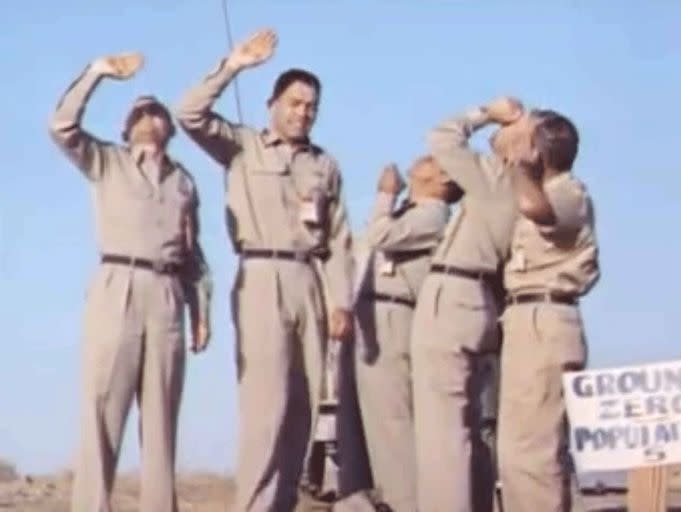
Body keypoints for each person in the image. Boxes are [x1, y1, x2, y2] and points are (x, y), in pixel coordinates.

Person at [175, 29, 355, 511]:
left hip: (309, 280)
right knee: (265, 405)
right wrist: (233, 64)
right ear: (273, 103)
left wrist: (341, 300)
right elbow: (189, 114)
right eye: (295, 103)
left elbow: (338, 238)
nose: (303, 112)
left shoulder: (325, 165)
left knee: (303, 407)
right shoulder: (242, 146)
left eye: (311, 106)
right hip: (261, 276)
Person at [48, 52, 212, 512]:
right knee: (102, 410)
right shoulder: (107, 162)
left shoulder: (184, 182)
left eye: (154, 111)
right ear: (125, 127)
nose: (148, 117)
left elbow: (193, 252)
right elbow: (61, 126)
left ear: (168, 126)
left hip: (167, 294)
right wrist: (98, 73)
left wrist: (201, 311)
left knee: (161, 419)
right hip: (115, 285)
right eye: (138, 113)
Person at [410, 97, 524, 512]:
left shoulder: (496, 178)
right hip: (476, 301)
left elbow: (441, 137)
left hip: (453, 296)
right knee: (469, 430)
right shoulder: (515, 187)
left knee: (442, 436)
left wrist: (487, 113)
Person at [341, 157, 460, 511]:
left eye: (433, 161)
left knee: (392, 423)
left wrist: (384, 196)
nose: (421, 159)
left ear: (442, 178)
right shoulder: (412, 211)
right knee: (363, 425)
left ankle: (405, 501)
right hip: (369, 311)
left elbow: (380, 235)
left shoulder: (431, 215)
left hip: (392, 314)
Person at [497, 109, 600, 512]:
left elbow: (535, 208)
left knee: (531, 451)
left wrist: (520, 165)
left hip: (546, 317)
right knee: (523, 448)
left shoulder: (568, 193)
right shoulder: (548, 187)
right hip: (530, 317)